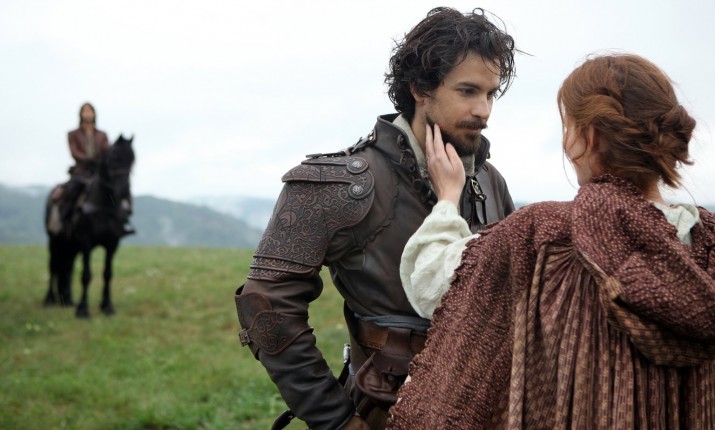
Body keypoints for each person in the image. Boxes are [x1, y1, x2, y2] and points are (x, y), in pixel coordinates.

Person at [388, 53, 715, 429]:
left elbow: (431, 280)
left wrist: (447, 198)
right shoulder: (706, 245)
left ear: (588, 137)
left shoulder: (545, 235)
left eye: (568, 126)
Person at [234, 7, 518, 430]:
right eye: (467, 91)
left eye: (491, 94)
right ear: (420, 89)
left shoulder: (490, 182)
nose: (484, 110)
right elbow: (266, 307)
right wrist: (336, 420)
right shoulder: (340, 184)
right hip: (385, 409)